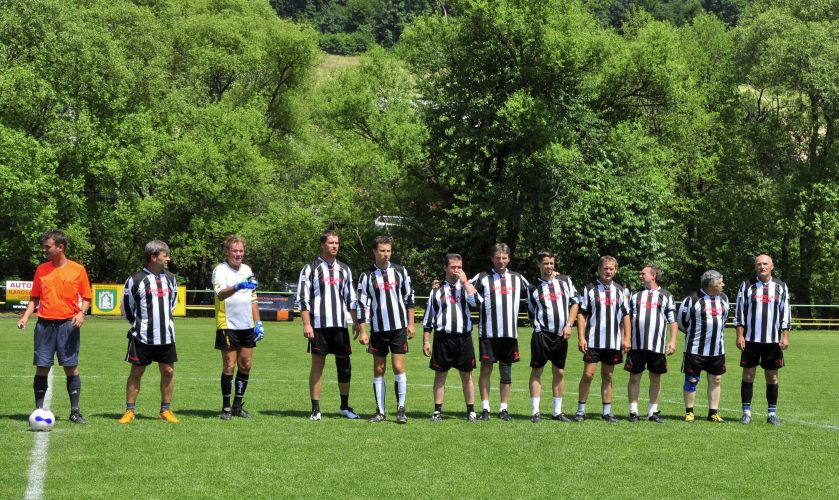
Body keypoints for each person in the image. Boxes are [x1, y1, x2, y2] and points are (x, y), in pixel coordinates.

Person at [17, 230, 92, 424]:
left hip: (68, 325)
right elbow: (35, 298)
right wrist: (25, 317)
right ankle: (38, 410)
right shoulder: (41, 269)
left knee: (71, 367)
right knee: (42, 366)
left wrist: (81, 313)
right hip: (44, 325)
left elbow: (86, 297)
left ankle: (75, 411)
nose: (45, 250)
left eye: (48, 247)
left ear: (60, 247)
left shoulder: (78, 269)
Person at [296, 230, 360, 421]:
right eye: (331, 243)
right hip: (319, 325)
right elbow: (303, 298)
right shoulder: (310, 268)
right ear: (323, 244)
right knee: (318, 364)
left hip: (340, 325)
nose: (334, 246)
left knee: (344, 365)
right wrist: (306, 324)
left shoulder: (344, 269)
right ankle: (315, 409)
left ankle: (344, 406)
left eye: (337, 243)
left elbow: (351, 298)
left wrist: (356, 322)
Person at [118, 240, 180, 424]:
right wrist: (139, 324)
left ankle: (165, 410)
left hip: (166, 335)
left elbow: (172, 303)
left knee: (168, 371)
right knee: (137, 371)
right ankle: (130, 411)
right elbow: (126, 307)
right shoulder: (135, 279)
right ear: (153, 257)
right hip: (142, 336)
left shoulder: (171, 278)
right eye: (165, 255)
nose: (168, 259)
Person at [357, 235, 415, 423]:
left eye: (388, 250)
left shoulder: (400, 271)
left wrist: (411, 323)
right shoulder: (366, 276)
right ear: (374, 251)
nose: (386, 254)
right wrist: (363, 331)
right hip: (378, 329)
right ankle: (380, 411)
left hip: (398, 328)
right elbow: (361, 304)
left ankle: (401, 410)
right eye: (382, 250)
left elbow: (409, 298)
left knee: (398, 367)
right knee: (379, 368)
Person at [470, 243, 530, 421]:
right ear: (492, 258)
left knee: (506, 372)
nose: (501, 261)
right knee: (486, 370)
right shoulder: (482, 277)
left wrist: (553, 277)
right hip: (488, 334)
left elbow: (536, 290)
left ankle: (504, 409)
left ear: (509, 259)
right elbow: (464, 287)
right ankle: (485, 408)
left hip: (509, 334)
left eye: (504, 258)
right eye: (498, 258)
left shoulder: (517, 278)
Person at [212, 235, 265, 420]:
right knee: (229, 365)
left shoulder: (247, 269)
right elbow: (220, 294)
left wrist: (258, 323)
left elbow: (253, 299)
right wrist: (237, 286)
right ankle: (226, 408)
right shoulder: (220, 270)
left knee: (246, 364)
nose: (238, 254)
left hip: (246, 325)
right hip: (227, 324)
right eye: (235, 251)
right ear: (227, 251)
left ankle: (237, 406)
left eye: (241, 251)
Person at [734, 254, 790, 426]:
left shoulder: (780, 286)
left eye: (765, 264)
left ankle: (772, 414)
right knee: (748, 374)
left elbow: (785, 312)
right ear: (755, 267)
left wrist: (785, 336)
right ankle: (746, 412)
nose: (762, 266)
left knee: (772, 377)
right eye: (759, 264)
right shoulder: (747, 285)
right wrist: (739, 335)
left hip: (772, 341)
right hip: (750, 340)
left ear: (772, 266)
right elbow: (739, 311)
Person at [422, 253, 478, 422]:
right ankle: (437, 411)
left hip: (464, 338)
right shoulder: (437, 291)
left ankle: (471, 411)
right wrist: (426, 340)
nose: (456, 270)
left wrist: (466, 282)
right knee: (440, 375)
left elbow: (477, 303)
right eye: (453, 267)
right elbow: (428, 318)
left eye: (459, 267)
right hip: (443, 338)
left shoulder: (467, 287)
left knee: (467, 376)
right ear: (445, 268)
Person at [574, 256, 630, 422]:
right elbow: (582, 314)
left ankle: (607, 412)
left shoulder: (620, 290)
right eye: (605, 268)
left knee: (608, 376)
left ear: (615, 270)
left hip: (613, 341)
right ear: (599, 269)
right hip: (593, 341)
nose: (608, 271)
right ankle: (580, 411)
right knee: (588, 374)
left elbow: (626, 315)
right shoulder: (589, 289)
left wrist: (627, 338)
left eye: (611, 269)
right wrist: (581, 337)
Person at [526, 251, 579, 423]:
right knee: (537, 371)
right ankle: (535, 412)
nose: (549, 266)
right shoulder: (532, 287)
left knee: (559, 372)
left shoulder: (565, 281)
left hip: (561, 334)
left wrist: (569, 325)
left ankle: (557, 412)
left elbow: (575, 303)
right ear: (539, 265)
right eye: (545, 263)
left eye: (551, 263)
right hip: (541, 335)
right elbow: (531, 311)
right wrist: (538, 328)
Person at [625, 266, 678, 423]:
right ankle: (633, 412)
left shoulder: (666, 295)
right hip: (637, 345)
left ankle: (652, 412)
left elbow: (673, 321)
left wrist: (672, 340)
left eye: (643, 273)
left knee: (656, 378)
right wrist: (626, 338)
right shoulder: (635, 295)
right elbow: (627, 317)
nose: (640, 275)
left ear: (653, 276)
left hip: (657, 345)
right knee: (634, 377)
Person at [677, 270, 730, 423]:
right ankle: (689, 412)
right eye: (720, 282)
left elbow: (724, 320)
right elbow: (681, 322)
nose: (723, 285)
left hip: (717, 349)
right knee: (692, 380)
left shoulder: (724, 298)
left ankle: (713, 413)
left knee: (716, 379)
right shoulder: (692, 299)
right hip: (695, 349)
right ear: (710, 285)